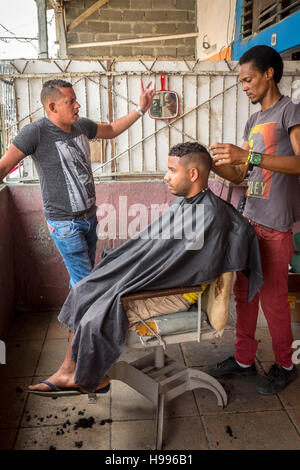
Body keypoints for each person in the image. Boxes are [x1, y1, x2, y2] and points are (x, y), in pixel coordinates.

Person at [28, 141, 263, 396]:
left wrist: (127, 278)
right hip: (165, 280)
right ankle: (68, 370)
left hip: (175, 292)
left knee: (97, 309)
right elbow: (158, 252)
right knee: (84, 288)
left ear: (193, 174)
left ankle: (90, 377)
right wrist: (123, 265)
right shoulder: (188, 204)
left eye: (172, 170)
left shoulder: (208, 215)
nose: (166, 177)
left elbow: (181, 267)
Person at [0, 79, 155, 288]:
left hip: (89, 218)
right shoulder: (35, 132)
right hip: (65, 224)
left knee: (82, 278)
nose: (77, 105)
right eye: (71, 101)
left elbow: (110, 129)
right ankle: (87, 320)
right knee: (87, 283)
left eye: (76, 100)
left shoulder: (81, 126)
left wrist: (141, 109)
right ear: (52, 107)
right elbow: (4, 167)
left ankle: (76, 318)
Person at [207, 45, 300, 395]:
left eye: (248, 79)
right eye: (241, 81)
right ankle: (244, 359)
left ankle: (284, 364)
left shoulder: (291, 111)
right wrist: (215, 165)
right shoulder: (253, 121)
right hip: (250, 219)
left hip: (276, 224)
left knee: (273, 299)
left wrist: (251, 155)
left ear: (269, 74)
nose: (244, 86)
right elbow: (243, 177)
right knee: (243, 294)